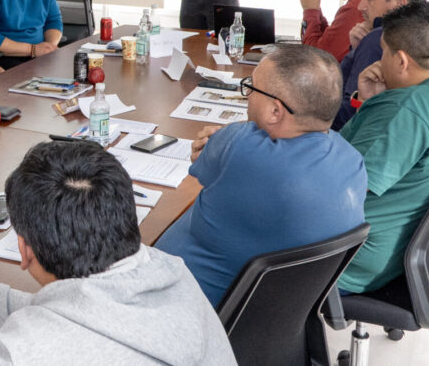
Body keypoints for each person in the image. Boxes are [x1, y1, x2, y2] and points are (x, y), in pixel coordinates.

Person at [0, 141, 236, 366]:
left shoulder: (18, 353)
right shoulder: (177, 276)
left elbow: (64, 331)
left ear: (24, 250)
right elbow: (89, 315)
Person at [155, 44, 367, 307]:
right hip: (269, 316)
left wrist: (226, 138)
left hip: (184, 307)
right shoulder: (352, 160)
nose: (247, 96)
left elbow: (204, 165)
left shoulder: (238, 145)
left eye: (251, 88)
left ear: (275, 111)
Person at [338, 2, 429, 293]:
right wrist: (369, 105)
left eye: (384, 51)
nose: (380, 58)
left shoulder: (407, 108)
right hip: (390, 251)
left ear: (402, 61)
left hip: (345, 256)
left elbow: (341, 186)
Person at [333, 0, 426, 130]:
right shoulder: (426, 34)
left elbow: (347, 115)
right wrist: (356, 50)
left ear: (399, 4)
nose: (361, 6)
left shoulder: (378, 39)